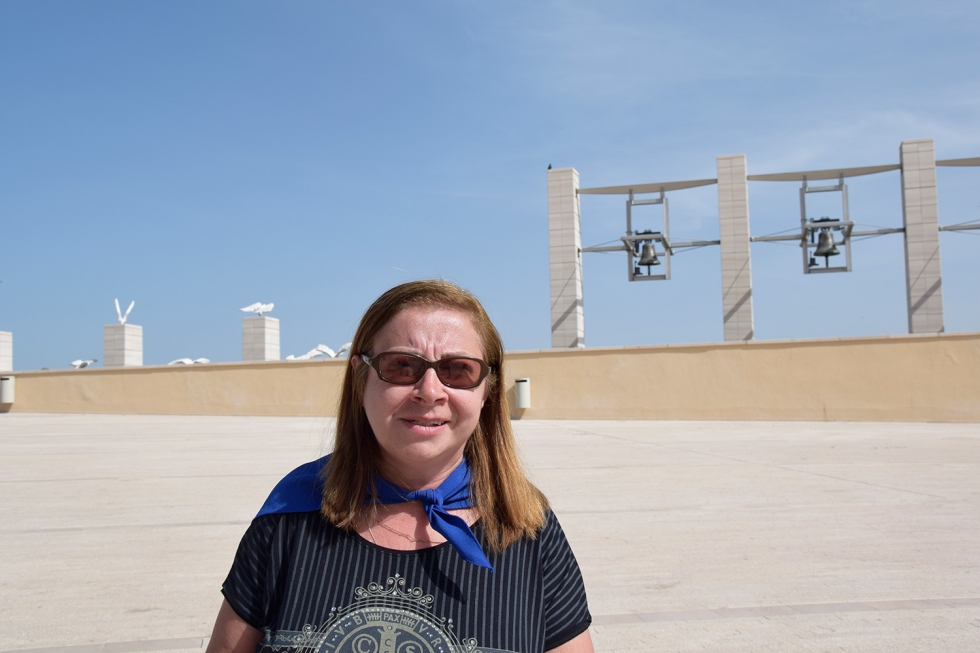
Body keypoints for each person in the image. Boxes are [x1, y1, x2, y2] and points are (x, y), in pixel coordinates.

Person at [206, 280, 593, 653]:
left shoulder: (529, 528)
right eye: (402, 366)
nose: (430, 391)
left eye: (458, 370)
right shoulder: (291, 515)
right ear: (360, 379)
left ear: (486, 391)